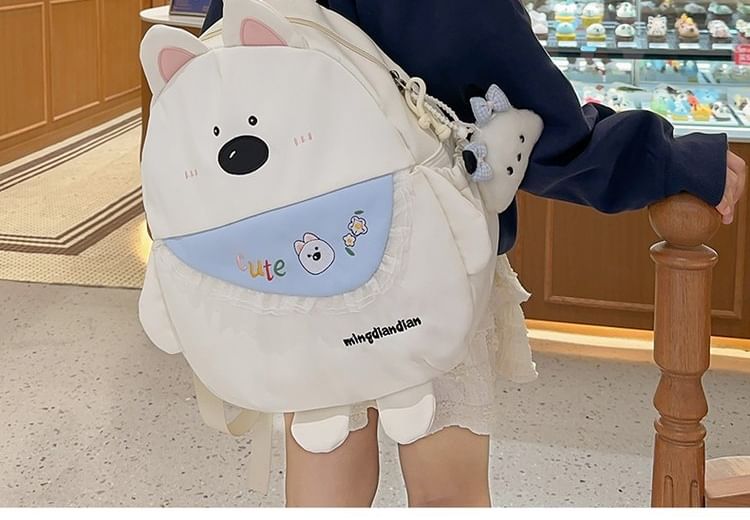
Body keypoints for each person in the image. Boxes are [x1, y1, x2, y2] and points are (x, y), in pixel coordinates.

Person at [199, 0, 747, 507]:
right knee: (446, 489)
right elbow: (532, 124)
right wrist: (673, 161)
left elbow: (218, 79)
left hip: (300, 258)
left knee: (325, 483)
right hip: (425, 255)